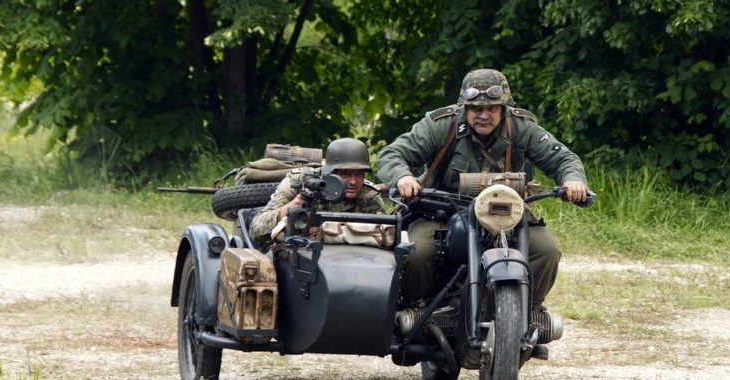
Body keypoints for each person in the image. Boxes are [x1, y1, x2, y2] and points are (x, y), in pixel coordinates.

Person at [376, 68, 589, 308]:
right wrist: (403, 177)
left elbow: (563, 159)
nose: (484, 115)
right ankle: (414, 310)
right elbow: (392, 154)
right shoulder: (442, 124)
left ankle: (529, 311)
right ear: (465, 108)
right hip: (440, 213)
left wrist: (573, 180)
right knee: (418, 252)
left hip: (505, 214)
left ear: (504, 108)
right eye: (476, 109)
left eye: (492, 108)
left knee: (546, 251)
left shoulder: (520, 126)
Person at [250, 137, 386, 240]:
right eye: (345, 174)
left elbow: (387, 234)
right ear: (330, 172)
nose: (353, 181)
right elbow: (255, 228)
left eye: (359, 174)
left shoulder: (369, 195)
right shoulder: (300, 181)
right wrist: (291, 208)